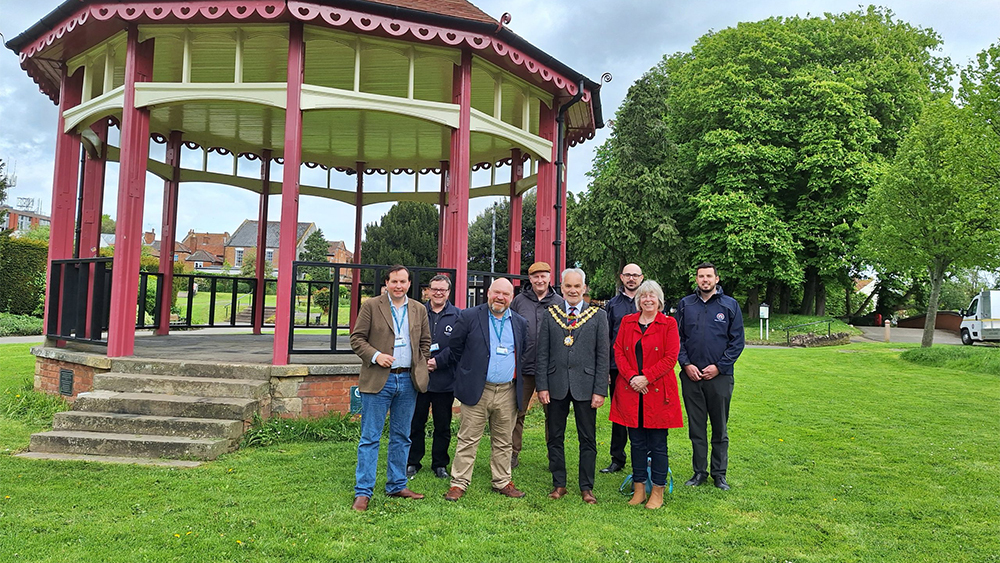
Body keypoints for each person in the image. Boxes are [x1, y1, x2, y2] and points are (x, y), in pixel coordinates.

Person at [348, 265, 432, 511]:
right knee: (370, 438)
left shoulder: (418, 309)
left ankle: (397, 484)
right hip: (378, 379)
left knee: (402, 436)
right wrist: (375, 356)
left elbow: (425, 342)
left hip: (407, 381)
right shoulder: (372, 306)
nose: (399, 286)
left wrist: (420, 363)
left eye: (403, 282)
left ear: (409, 284)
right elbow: (356, 339)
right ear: (386, 283)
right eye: (394, 281)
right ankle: (363, 492)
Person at [444, 278, 529, 501]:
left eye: (506, 294)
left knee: (503, 440)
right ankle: (459, 483)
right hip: (478, 389)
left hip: (507, 392)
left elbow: (524, 353)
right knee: (468, 439)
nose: (500, 297)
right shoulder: (470, 316)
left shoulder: (520, 323)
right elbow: (455, 347)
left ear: (512, 297)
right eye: (497, 292)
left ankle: (502, 481)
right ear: (488, 292)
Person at [536, 268, 609, 504]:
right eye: (568, 286)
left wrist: (600, 390)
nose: (573, 290)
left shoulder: (598, 316)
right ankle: (559, 484)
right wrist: (542, 386)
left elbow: (603, 356)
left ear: (584, 288)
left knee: (587, 438)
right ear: (562, 288)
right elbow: (542, 353)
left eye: (577, 286)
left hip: (586, 387)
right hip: (555, 384)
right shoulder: (551, 314)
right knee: (554, 436)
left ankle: (586, 487)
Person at [611, 280, 682, 509]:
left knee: (658, 444)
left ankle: (658, 490)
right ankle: (640, 487)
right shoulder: (627, 321)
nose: (647, 300)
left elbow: (671, 357)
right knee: (637, 443)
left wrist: (646, 377)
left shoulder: (668, 324)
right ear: (638, 300)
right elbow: (619, 351)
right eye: (643, 296)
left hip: (658, 392)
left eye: (652, 296)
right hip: (631, 392)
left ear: (659, 300)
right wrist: (632, 377)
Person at [676, 262, 745, 491]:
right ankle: (699, 472)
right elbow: (678, 340)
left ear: (717, 279)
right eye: (700, 276)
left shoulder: (730, 305)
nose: (704, 280)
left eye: (708, 276)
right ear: (696, 279)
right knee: (697, 427)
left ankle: (719, 474)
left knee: (719, 428)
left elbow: (737, 342)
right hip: (691, 377)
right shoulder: (686, 305)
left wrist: (719, 366)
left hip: (720, 378)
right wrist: (686, 365)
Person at [509, 261, 564, 468]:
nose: (539, 280)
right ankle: (512, 454)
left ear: (550, 278)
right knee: (517, 412)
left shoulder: (559, 302)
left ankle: (554, 457)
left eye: (543, 276)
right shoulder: (519, 301)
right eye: (535, 277)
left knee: (554, 415)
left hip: (552, 369)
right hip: (524, 367)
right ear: (530, 279)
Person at [406, 274, 461, 479]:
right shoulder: (416, 312)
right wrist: (423, 362)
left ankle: (440, 464)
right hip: (419, 378)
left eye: (443, 290)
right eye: (434, 289)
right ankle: (413, 461)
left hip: (445, 379)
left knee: (443, 425)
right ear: (427, 290)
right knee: (416, 422)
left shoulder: (458, 315)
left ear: (448, 292)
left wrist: (438, 362)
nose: (438, 293)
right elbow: (410, 340)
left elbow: (458, 346)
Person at [600, 263, 644, 474]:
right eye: (628, 275)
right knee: (619, 415)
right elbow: (607, 338)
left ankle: (645, 456)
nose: (631, 279)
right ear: (621, 277)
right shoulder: (613, 305)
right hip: (617, 368)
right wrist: (608, 369)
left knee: (644, 414)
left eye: (635, 275)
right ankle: (617, 458)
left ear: (642, 278)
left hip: (644, 369)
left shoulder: (647, 301)